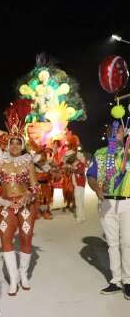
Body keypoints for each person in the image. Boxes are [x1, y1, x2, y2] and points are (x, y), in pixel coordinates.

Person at [0, 101, 38, 295]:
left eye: (19, 142)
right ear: (8, 144)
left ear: (23, 145)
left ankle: (23, 273)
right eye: (12, 142)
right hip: (6, 206)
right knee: (5, 239)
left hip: (26, 205)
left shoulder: (28, 162)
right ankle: (13, 279)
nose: (16, 146)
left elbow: (35, 186)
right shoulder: (0, 163)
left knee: (26, 238)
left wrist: (27, 195)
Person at [87, 121, 130, 300]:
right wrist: (96, 188)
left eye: (119, 130)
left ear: (124, 131)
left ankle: (128, 281)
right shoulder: (101, 154)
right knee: (112, 244)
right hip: (106, 203)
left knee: (127, 242)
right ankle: (116, 280)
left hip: (127, 203)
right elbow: (91, 175)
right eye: (113, 131)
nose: (116, 134)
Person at [64, 150, 86, 223]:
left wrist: (72, 169)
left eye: (69, 158)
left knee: (79, 202)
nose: (68, 160)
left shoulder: (80, 164)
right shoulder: (74, 165)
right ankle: (82, 216)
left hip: (79, 185)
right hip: (76, 185)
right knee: (79, 201)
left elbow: (81, 171)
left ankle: (80, 217)